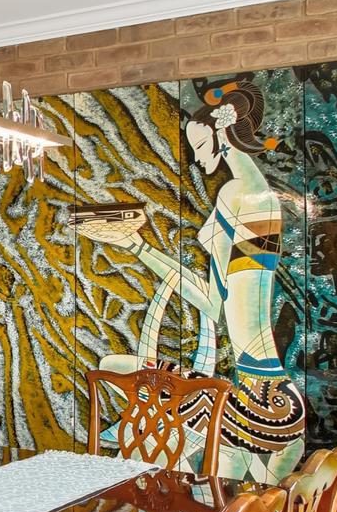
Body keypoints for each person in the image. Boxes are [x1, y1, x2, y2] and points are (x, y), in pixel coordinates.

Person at [75, 82, 305, 483]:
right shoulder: (239, 197)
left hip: (264, 402)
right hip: (251, 388)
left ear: (222, 136)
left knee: (139, 397)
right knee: (115, 367)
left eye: (199, 146)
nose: (196, 159)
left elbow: (233, 302)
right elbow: (215, 304)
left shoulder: (251, 199)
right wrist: (138, 247)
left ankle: (138, 476)